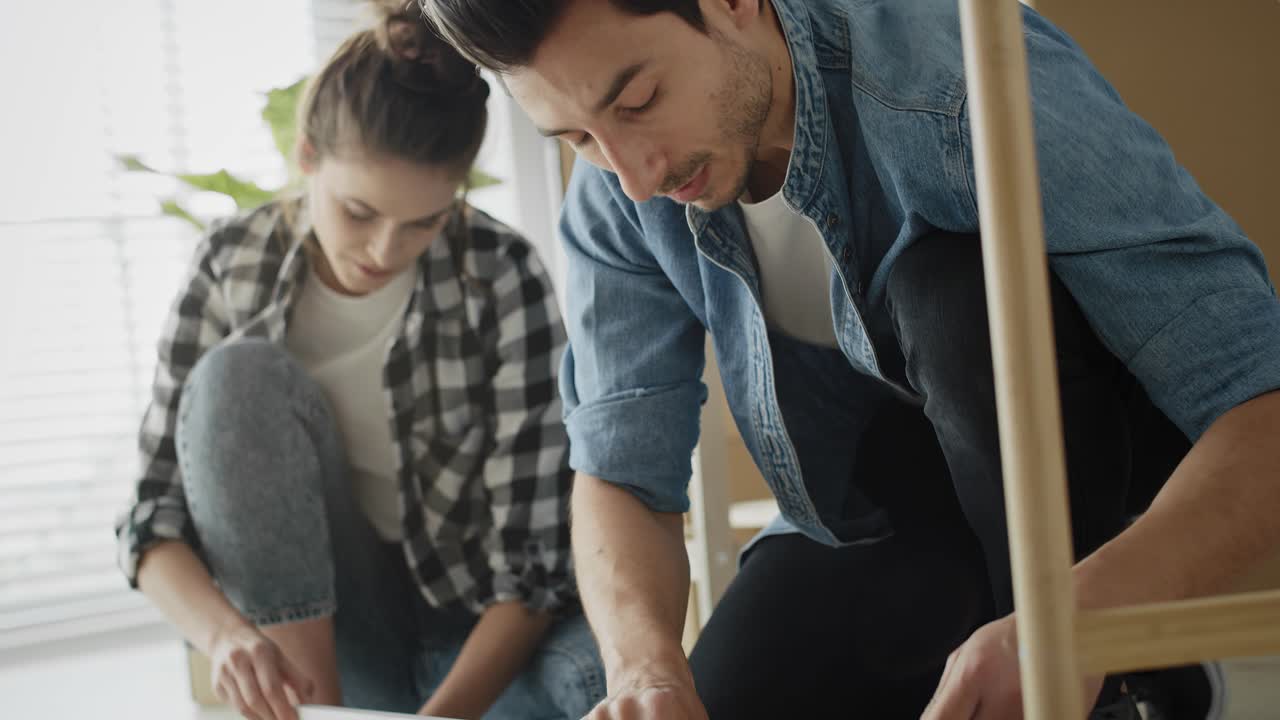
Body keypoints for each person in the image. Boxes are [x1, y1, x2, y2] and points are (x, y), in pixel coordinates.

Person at [418, 0, 1280, 718]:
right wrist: (645, 670)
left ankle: (1135, 679)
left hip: (1085, 490)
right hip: (874, 508)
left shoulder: (958, 77)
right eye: (576, 138)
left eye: (639, 99)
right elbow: (620, 475)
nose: (631, 175)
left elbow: (1264, 402)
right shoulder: (619, 192)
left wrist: (1076, 624)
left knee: (947, 293)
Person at [113, 5, 605, 719]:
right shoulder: (231, 265)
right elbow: (149, 522)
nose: (383, 251)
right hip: (329, 644)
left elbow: (531, 573)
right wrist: (225, 640)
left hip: (481, 641)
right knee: (235, 378)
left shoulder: (501, 274)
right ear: (307, 155)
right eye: (359, 212)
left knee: (596, 687)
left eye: (424, 223)